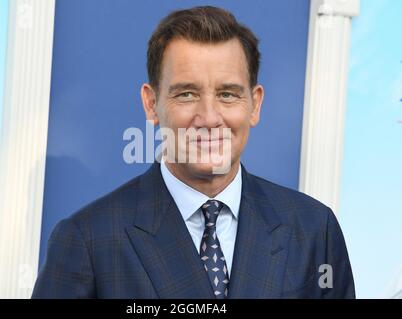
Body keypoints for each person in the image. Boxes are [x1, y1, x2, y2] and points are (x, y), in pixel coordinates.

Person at [32, 6, 355, 299]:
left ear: (255, 105)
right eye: (187, 94)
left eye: (228, 95)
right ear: (151, 103)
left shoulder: (314, 230)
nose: (210, 117)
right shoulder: (87, 240)